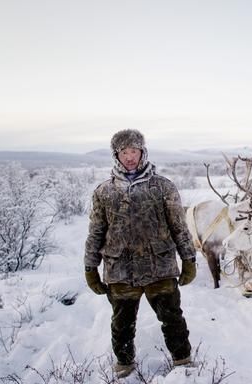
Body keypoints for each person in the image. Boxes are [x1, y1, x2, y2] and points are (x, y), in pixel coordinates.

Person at [83, 129, 197, 379]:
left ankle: (184, 363)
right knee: (122, 324)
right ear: (116, 155)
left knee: (172, 319)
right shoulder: (104, 192)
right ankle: (124, 367)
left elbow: (179, 226)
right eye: (124, 152)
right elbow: (96, 232)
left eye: (134, 151)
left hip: (160, 266)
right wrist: (90, 268)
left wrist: (189, 259)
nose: (129, 157)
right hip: (120, 270)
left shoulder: (163, 187)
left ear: (142, 152)